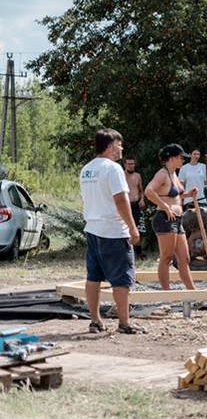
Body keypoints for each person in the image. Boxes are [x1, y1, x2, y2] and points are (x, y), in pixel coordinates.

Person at [79, 128, 143, 334]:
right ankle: (124, 323)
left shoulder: (86, 169)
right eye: (119, 144)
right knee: (121, 279)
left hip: (93, 229)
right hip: (114, 231)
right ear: (109, 146)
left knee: (93, 277)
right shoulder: (113, 169)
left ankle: (95, 321)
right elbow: (120, 200)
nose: (121, 148)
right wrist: (133, 227)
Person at [144, 143, 199, 292]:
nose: (183, 161)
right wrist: (165, 206)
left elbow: (176, 195)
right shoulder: (162, 174)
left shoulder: (174, 174)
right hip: (164, 218)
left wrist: (188, 194)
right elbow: (149, 191)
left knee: (185, 258)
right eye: (182, 158)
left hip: (177, 219)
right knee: (167, 257)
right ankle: (166, 293)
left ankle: (192, 292)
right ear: (173, 158)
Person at [123, 157, 146, 259]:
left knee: (137, 227)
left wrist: (142, 200)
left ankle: (138, 252)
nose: (131, 166)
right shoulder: (121, 175)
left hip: (136, 204)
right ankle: (126, 250)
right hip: (125, 204)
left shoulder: (137, 176)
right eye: (129, 164)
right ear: (125, 165)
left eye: (132, 164)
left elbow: (141, 190)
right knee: (125, 227)